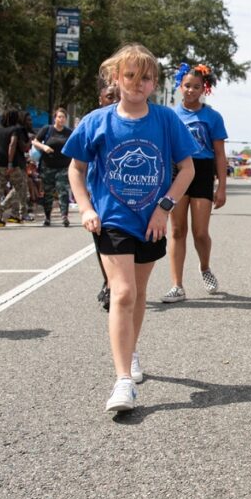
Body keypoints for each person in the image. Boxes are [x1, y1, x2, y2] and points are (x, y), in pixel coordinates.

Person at [64, 43, 195, 413]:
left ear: (155, 83)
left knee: (137, 293)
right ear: (115, 79)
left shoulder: (166, 120)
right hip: (113, 220)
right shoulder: (97, 121)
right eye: (131, 76)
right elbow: (76, 169)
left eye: (147, 77)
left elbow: (187, 169)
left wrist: (164, 208)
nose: (138, 84)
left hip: (151, 221)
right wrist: (86, 208)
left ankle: (131, 350)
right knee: (121, 293)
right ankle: (123, 382)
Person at [161, 63, 229, 303]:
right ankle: (177, 285)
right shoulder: (170, 115)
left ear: (204, 89)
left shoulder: (212, 117)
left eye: (196, 87)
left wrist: (221, 186)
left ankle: (205, 267)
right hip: (176, 170)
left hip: (202, 171)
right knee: (178, 230)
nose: (190, 90)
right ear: (180, 86)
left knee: (200, 232)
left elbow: (220, 154)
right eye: (187, 86)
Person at [94, 84, 120, 311]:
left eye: (117, 97)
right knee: (100, 240)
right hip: (98, 193)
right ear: (100, 99)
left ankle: (114, 285)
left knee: (112, 241)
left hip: (120, 196)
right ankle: (109, 281)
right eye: (109, 97)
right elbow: (78, 164)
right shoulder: (93, 122)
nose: (114, 100)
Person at [32, 107, 73, 227]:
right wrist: (44, 147)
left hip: (63, 167)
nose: (61, 119)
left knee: (63, 192)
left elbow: (74, 144)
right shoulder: (47, 129)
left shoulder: (68, 132)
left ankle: (64, 216)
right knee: (48, 193)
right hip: (48, 166)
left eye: (63, 117)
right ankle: (47, 217)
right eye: (59, 117)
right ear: (55, 118)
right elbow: (35, 141)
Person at [0, 109, 28, 228]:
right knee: (20, 188)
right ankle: (0, 209)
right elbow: (12, 144)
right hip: (12, 163)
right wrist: (10, 163)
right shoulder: (15, 130)